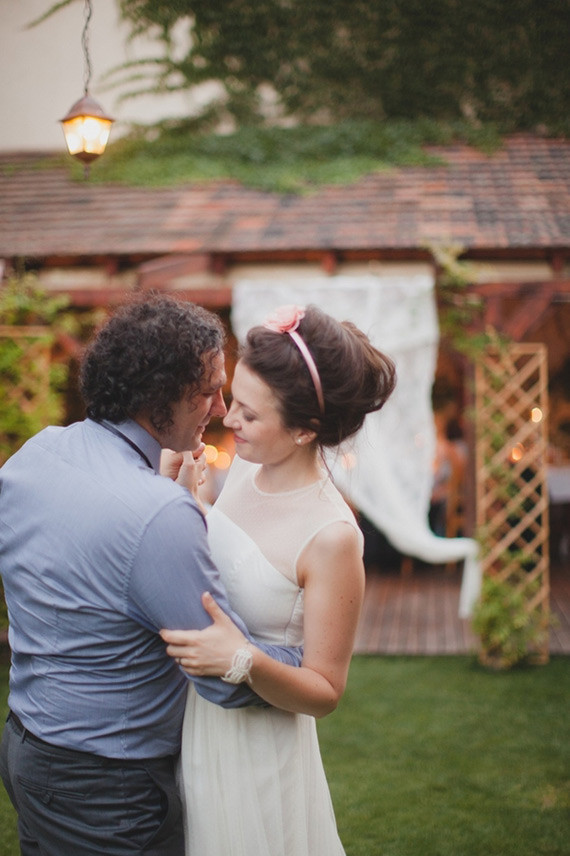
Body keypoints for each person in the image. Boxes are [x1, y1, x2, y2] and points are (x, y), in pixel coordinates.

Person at [0, 295, 302, 856]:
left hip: (25, 749)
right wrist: (303, 666)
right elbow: (221, 679)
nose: (218, 407)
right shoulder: (158, 513)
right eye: (209, 389)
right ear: (163, 394)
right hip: (107, 788)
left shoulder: (34, 455)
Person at [161, 304, 397, 856]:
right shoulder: (245, 466)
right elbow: (221, 569)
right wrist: (191, 507)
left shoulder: (333, 534)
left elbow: (325, 691)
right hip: (193, 724)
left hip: (258, 753)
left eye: (248, 413)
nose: (227, 419)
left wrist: (241, 660)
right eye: (233, 401)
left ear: (303, 430)